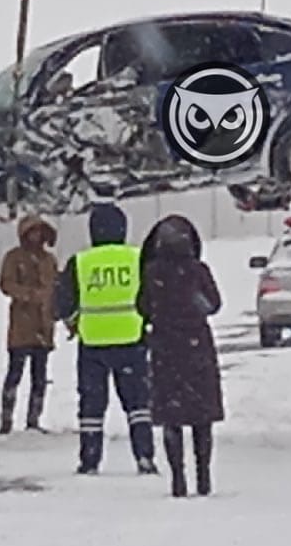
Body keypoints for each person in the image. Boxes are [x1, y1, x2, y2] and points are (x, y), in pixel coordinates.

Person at [53, 201, 159, 475]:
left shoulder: (81, 262)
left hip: (93, 344)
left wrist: (73, 321)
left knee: (91, 407)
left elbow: (62, 304)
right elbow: (153, 297)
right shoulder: (139, 259)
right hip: (132, 341)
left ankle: (90, 460)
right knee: (138, 405)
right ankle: (144, 456)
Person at [139, 214, 224, 498]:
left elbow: (142, 307)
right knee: (202, 418)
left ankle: (178, 478)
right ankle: (204, 475)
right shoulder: (198, 270)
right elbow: (214, 304)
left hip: (165, 347)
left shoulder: (152, 272)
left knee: (171, 418)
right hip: (197, 345)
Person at [0, 213, 58, 434]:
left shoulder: (49, 260)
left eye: (40, 231)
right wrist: (31, 295)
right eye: (33, 231)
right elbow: (6, 284)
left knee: (40, 378)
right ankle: (6, 420)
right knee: (15, 374)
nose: (37, 235)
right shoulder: (14, 258)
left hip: (44, 325)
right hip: (22, 327)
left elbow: (55, 288)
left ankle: (34, 421)